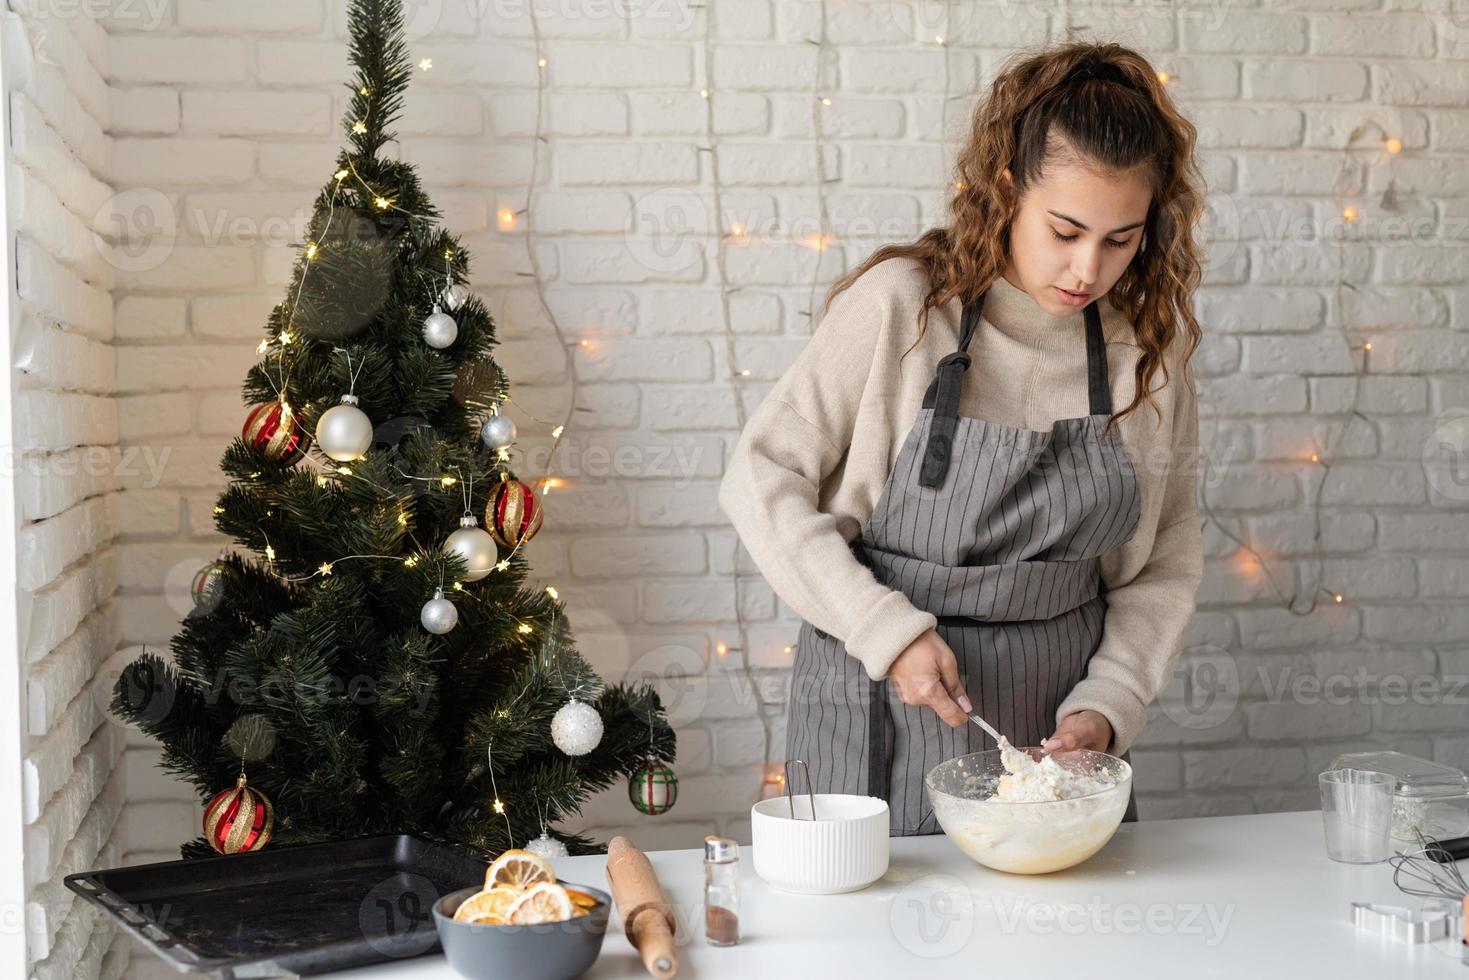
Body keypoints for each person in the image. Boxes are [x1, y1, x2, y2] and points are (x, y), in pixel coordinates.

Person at [718, 41, 1207, 834]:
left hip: (1057, 731)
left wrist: (1109, 707)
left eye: (1120, 240)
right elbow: (758, 479)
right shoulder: (902, 309)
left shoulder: (1142, 355)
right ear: (1007, 191)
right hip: (875, 699)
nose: (1087, 268)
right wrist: (887, 631)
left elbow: (1164, 560)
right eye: (1064, 229)